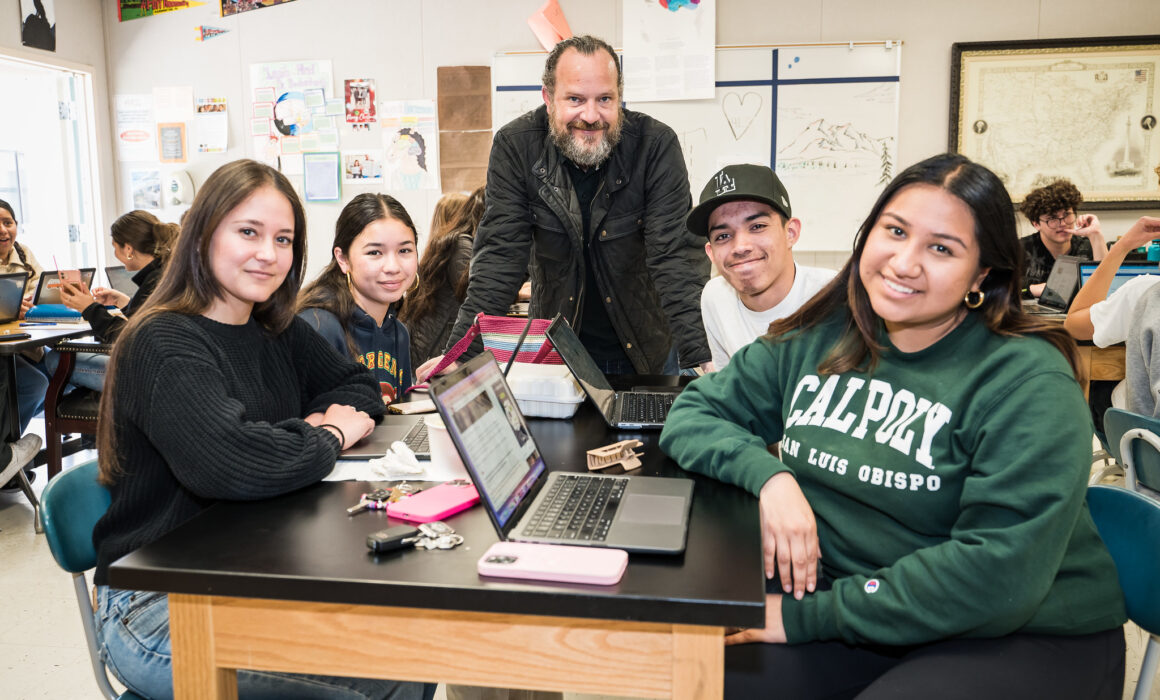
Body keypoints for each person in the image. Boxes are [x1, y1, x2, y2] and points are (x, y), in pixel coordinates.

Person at [659, 154, 1127, 699]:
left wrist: (808, 618)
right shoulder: (826, 333)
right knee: (702, 679)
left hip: (1016, 630)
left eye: (941, 248)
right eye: (896, 231)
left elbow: (996, 576)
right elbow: (694, 413)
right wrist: (771, 478)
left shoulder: (1026, 379)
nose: (905, 263)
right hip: (855, 601)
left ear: (981, 273)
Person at [91, 159, 430, 700]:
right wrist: (326, 435)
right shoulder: (162, 341)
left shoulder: (275, 327)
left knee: (410, 649)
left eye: (284, 238)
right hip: (156, 601)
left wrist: (293, 436)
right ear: (203, 235)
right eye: (248, 232)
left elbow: (361, 389)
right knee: (372, 681)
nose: (268, 254)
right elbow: (233, 463)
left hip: (253, 566)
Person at [419, 34, 709, 381]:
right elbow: (499, 256)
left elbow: (674, 258)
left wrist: (703, 355)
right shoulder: (517, 147)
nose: (591, 115)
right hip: (557, 355)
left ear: (620, 97)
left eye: (605, 99)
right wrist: (461, 354)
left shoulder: (655, 146)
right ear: (548, 99)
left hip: (647, 353)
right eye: (575, 99)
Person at [689, 164, 835, 370]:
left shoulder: (837, 298)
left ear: (790, 233)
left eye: (757, 227)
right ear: (711, 253)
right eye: (723, 236)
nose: (740, 247)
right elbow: (729, 389)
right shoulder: (715, 298)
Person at [298, 193, 418, 404]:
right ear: (343, 259)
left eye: (404, 250)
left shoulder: (399, 333)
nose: (393, 267)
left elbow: (400, 418)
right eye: (374, 253)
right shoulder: (319, 327)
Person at [53, 210, 178, 390]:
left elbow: (127, 339)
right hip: (162, 369)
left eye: (114, 246)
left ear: (128, 249)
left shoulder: (155, 281)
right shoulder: (165, 274)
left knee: (56, 359)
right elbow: (146, 323)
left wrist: (89, 308)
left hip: (148, 377)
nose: (114, 253)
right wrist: (125, 302)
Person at [1063, 215, 1160, 416]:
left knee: (1101, 390)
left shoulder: (1144, 291)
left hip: (1150, 439)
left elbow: (1073, 325)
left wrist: (1122, 246)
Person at [401, 188, 485, 367]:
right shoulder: (459, 245)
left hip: (425, 343)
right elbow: (477, 292)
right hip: (435, 345)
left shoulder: (439, 247)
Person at [0, 199, 47, 489]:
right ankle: (6, 457)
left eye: (8, 222)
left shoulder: (22, 253)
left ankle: (8, 457)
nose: (3, 230)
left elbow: (39, 288)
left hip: (22, 341)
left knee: (44, 382)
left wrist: (25, 304)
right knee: (32, 384)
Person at [1018, 179, 1106, 298]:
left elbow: (1107, 284)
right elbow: (1000, 289)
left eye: (1066, 215)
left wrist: (1096, 235)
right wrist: (1033, 289)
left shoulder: (1087, 246)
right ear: (1036, 224)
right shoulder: (1020, 249)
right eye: (1053, 218)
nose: (1063, 223)